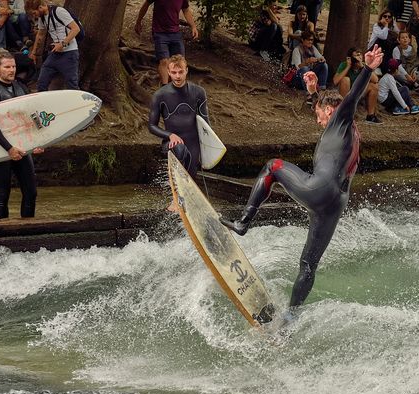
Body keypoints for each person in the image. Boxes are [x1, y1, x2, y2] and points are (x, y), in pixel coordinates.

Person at [220, 46, 383, 309]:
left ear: (329, 111)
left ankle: (243, 222)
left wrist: (367, 68)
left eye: (318, 114)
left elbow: (349, 99)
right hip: (335, 204)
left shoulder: (341, 115)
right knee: (308, 265)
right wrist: (314, 91)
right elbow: (330, 102)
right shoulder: (346, 129)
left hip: (319, 188)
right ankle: (291, 317)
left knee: (272, 166)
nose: (317, 121)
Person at [0, 52, 43, 219]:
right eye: (7, 66)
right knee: (3, 194)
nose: (11, 70)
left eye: (13, 66)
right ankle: (3, 234)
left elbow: (32, 116)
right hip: (1, 148)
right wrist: (9, 148)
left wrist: (38, 141)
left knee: (31, 192)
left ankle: (27, 230)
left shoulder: (21, 87)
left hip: (22, 146)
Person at [148, 55, 209, 212]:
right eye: (173, 72)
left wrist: (207, 150)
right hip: (171, 143)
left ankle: (186, 201)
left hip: (193, 142)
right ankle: (175, 199)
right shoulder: (160, 95)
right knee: (180, 148)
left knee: (191, 175)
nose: (177, 76)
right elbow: (151, 126)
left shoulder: (198, 92)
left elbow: (205, 124)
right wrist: (170, 135)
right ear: (168, 72)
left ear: (186, 71)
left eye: (180, 72)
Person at [134, 0, 199, 85]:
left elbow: (186, 10)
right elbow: (146, 5)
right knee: (164, 61)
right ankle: (165, 88)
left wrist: (193, 26)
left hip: (175, 33)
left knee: (180, 62)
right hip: (160, 33)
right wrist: (138, 22)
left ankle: (176, 88)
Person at [25, 0, 80, 92]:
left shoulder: (59, 12)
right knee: (42, 80)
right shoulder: (42, 17)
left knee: (72, 84)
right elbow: (40, 34)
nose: (34, 16)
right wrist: (34, 52)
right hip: (55, 53)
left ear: (40, 7)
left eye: (34, 13)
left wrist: (62, 44)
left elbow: (76, 29)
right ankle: (42, 100)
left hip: (70, 53)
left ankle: (79, 103)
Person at [333, 48, 382, 124]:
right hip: (346, 92)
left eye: (360, 55)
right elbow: (335, 81)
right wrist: (348, 66)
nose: (358, 57)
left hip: (358, 91)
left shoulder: (364, 66)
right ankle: (343, 113)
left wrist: (363, 67)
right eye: (356, 55)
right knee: (345, 80)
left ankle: (370, 116)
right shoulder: (344, 64)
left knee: (374, 86)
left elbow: (375, 80)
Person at [366, 8, 399, 73]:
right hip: (374, 48)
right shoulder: (377, 26)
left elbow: (398, 34)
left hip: (384, 49)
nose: (387, 18)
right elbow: (383, 37)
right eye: (385, 16)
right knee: (383, 40)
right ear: (381, 17)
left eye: (389, 17)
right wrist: (386, 26)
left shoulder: (392, 26)